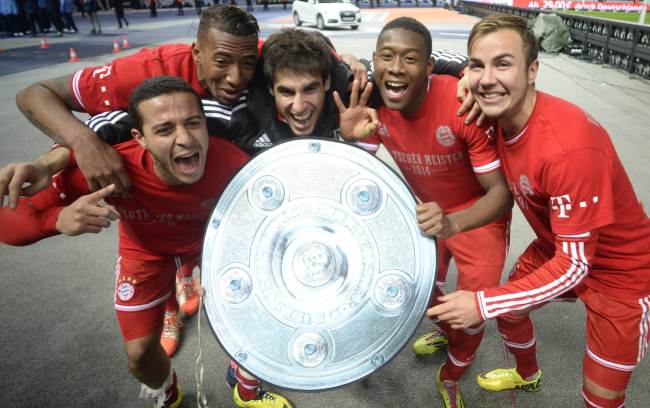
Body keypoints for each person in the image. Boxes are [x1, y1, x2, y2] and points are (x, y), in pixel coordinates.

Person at [0, 76, 293, 408]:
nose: (184, 139)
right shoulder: (111, 166)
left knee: (264, 316)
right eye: (165, 130)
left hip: (208, 250)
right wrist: (54, 220)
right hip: (146, 253)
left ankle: (246, 388)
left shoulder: (234, 165)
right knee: (140, 356)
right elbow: (7, 223)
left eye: (193, 124)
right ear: (140, 138)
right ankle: (168, 392)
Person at [428, 14, 650, 408]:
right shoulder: (496, 112)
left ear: (532, 70)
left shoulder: (569, 148)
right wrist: (465, 72)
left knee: (600, 396)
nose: (487, 78)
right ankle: (527, 375)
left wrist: (481, 303)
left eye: (503, 64)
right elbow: (434, 60)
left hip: (621, 273)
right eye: (478, 65)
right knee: (513, 312)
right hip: (560, 243)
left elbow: (575, 266)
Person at [334, 17, 512, 408]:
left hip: (477, 215)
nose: (396, 68)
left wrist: (453, 224)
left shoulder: (462, 103)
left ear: (429, 66)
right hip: (426, 210)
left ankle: (450, 376)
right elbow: (353, 179)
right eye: (387, 57)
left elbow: (501, 194)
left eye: (410, 58)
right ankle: (446, 332)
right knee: (417, 292)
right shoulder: (371, 102)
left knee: (471, 313)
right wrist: (350, 141)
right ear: (375, 61)